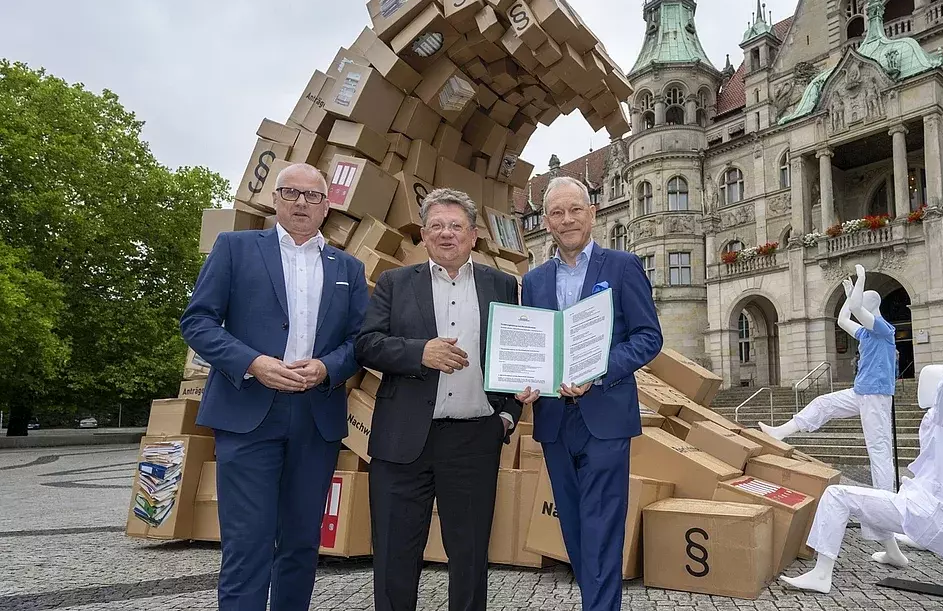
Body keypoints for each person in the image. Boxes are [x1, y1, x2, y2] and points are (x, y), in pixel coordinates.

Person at [180, 164, 369, 610]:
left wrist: (327, 368)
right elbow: (198, 321)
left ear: (328, 207)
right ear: (275, 199)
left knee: (302, 543)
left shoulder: (349, 267)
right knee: (247, 542)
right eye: (291, 193)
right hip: (248, 414)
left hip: (315, 417)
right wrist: (253, 362)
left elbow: (361, 341)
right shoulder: (235, 247)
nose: (302, 203)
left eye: (313, 196)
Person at [353, 188, 528, 611]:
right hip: (402, 442)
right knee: (395, 554)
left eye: (456, 226)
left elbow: (518, 350)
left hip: (474, 440)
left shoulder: (502, 284)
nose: (446, 234)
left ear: (473, 236)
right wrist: (419, 352)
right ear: (424, 235)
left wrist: (507, 414)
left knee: (469, 558)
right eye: (437, 226)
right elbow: (366, 345)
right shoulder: (395, 283)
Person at [518, 176, 663, 611]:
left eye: (575, 210)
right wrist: (525, 379)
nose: (567, 220)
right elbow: (531, 343)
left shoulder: (621, 266)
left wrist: (599, 370)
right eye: (557, 213)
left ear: (592, 213)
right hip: (554, 419)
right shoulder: (536, 280)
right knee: (575, 528)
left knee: (601, 523)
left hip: (605, 413)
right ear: (546, 222)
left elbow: (647, 337)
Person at [780, 328, 943, 594]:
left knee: (836, 495)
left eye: (928, 382)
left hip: (929, 513)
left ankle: (822, 575)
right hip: (929, 509)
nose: (920, 388)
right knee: (877, 500)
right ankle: (892, 553)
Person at [759, 264, 897, 495]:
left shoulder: (884, 329)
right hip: (861, 392)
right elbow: (843, 319)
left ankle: (886, 501)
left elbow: (854, 308)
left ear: (871, 306)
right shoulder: (865, 332)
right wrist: (849, 294)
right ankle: (781, 432)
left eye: (862, 304)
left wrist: (860, 280)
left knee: (879, 449)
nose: (858, 309)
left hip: (876, 395)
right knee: (823, 403)